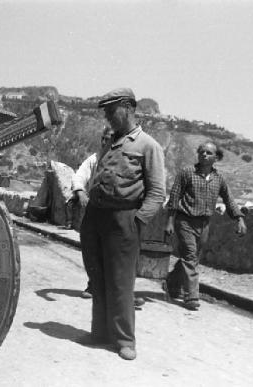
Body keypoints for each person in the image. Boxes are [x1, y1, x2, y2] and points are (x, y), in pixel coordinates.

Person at [78, 88, 165, 361]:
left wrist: (137, 222)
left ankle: (125, 339)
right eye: (104, 112)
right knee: (97, 276)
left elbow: (157, 193)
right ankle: (100, 332)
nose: (107, 117)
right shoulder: (111, 142)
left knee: (121, 282)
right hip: (95, 216)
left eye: (110, 111)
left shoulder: (148, 145)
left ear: (128, 108)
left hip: (123, 219)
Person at [163, 142, 247, 310]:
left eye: (208, 153)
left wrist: (239, 219)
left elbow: (229, 199)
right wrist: (170, 221)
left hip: (204, 224)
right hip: (185, 220)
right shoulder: (186, 173)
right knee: (190, 256)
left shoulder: (219, 179)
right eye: (201, 152)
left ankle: (172, 282)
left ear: (216, 157)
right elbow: (174, 197)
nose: (204, 155)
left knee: (192, 257)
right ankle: (191, 297)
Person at [70, 127, 114, 298]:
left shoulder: (122, 161)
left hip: (114, 210)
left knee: (113, 251)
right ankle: (93, 285)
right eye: (103, 138)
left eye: (109, 138)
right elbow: (79, 175)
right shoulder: (94, 159)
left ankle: (119, 292)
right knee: (91, 248)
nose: (105, 142)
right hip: (94, 209)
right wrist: (80, 191)